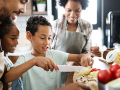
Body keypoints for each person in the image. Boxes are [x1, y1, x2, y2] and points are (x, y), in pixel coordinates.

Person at [4, 16, 93, 90]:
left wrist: (86, 56)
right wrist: (34, 61)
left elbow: (79, 57)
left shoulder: (54, 55)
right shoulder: (24, 59)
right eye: (42, 38)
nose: (47, 43)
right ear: (29, 36)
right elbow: (8, 78)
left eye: (49, 38)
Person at [51, 0, 101, 86]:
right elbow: (48, 54)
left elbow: (86, 52)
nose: (73, 15)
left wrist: (90, 54)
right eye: (69, 10)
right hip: (57, 73)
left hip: (79, 73)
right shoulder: (55, 25)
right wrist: (67, 63)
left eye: (77, 10)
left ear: (82, 9)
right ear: (64, 8)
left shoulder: (87, 26)